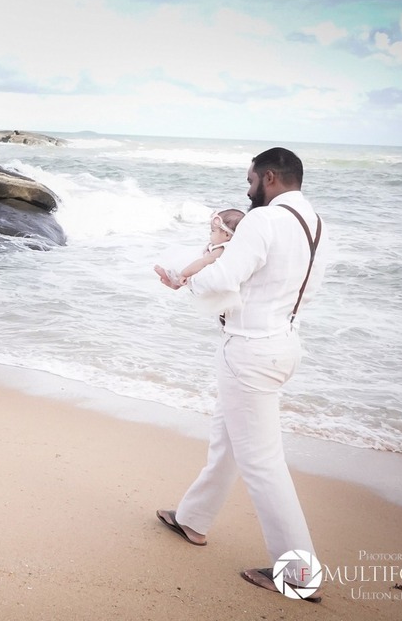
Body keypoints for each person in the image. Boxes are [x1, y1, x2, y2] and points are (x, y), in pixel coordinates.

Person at [154, 147, 327, 603]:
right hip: (284, 344)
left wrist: (198, 265)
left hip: (250, 351)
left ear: (269, 177)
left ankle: (299, 574)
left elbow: (222, 279)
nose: (248, 191)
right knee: (228, 439)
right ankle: (193, 518)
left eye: (250, 181)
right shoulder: (315, 225)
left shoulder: (264, 220)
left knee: (263, 464)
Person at [154, 208, 246, 287]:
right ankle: (173, 278)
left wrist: (184, 274)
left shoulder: (221, 249)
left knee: (189, 270)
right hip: (202, 267)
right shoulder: (228, 246)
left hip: (204, 273)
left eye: (213, 231)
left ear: (226, 234)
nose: (210, 233)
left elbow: (204, 262)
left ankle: (176, 281)